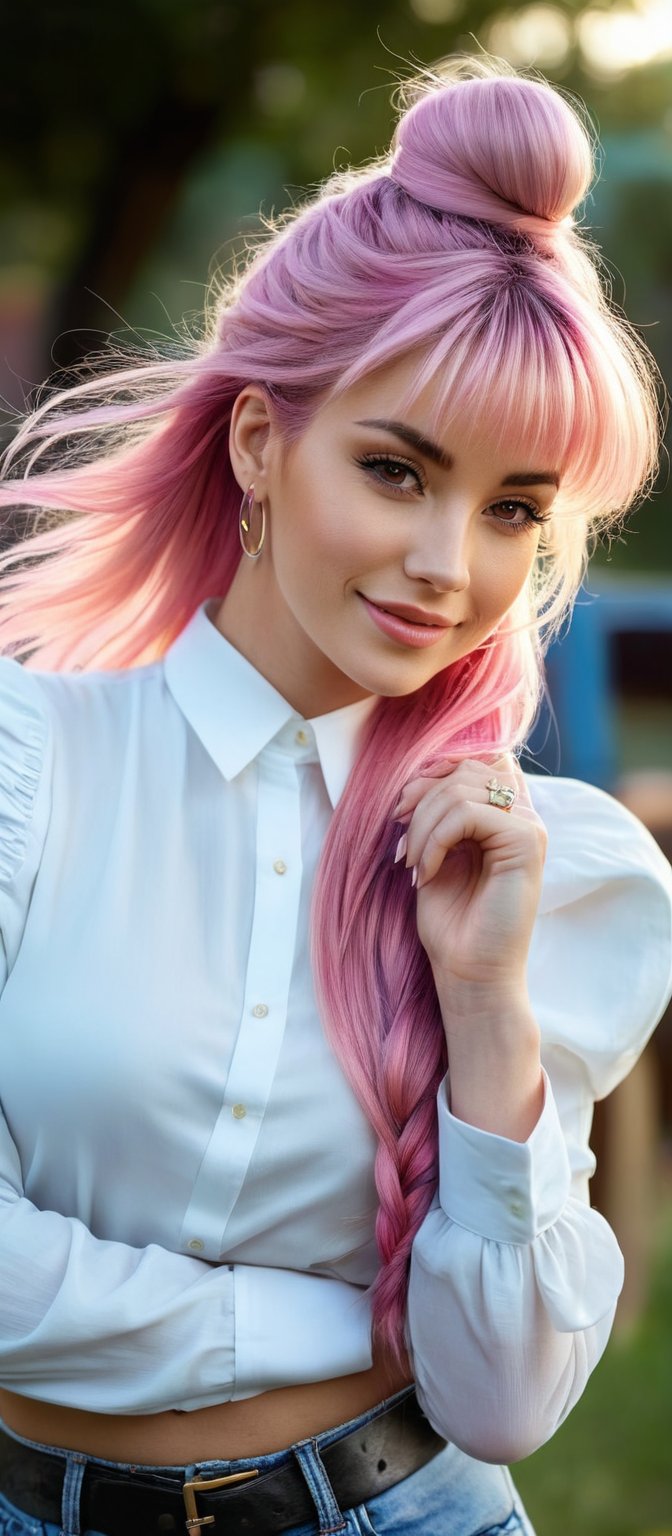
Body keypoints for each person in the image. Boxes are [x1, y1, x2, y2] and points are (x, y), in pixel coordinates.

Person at [0, 53, 670, 1536]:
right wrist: (328, 1329)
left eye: (512, 509)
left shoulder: (537, 870)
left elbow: (498, 1401)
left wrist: (485, 1002)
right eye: (396, 469)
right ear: (261, 440)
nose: (451, 564)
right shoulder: (27, 773)